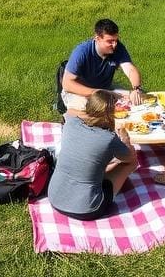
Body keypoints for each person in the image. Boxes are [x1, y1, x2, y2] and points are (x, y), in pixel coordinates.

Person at [47, 90, 138, 219]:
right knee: (131, 164)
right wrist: (125, 138)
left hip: (55, 196)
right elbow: (130, 158)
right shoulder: (108, 138)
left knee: (93, 163)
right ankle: (109, 192)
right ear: (111, 112)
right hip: (87, 208)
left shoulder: (70, 123)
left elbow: (71, 112)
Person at [61, 18, 145, 113]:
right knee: (94, 108)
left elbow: (130, 70)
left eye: (116, 40)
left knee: (137, 99)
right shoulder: (82, 52)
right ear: (97, 39)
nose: (114, 45)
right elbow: (67, 84)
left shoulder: (118, 48)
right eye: (110, 41)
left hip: (105, 90)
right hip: (78, 93)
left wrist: (136, 89)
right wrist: (98, 93)